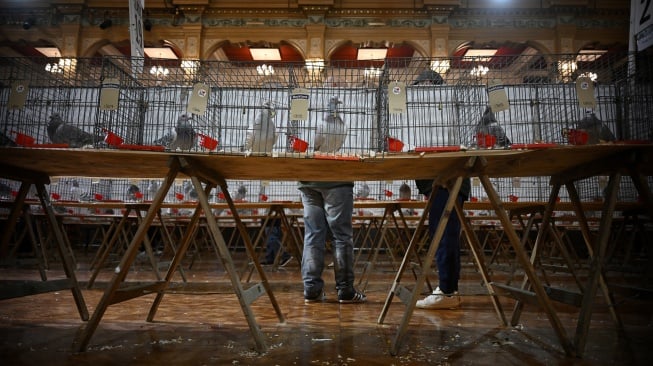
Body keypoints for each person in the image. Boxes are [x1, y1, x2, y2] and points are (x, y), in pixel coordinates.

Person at [298, 181, 367, 303]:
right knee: (341, 237)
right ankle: (345, 290)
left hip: (308, 179)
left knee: (312, 236)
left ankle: (311, 289)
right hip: (337, 179)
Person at [414, 178, 471, 309]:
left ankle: (447, 291)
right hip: (445, 182)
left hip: (445, 182)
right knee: (444, 233)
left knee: (444, 234)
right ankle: (449, 289)